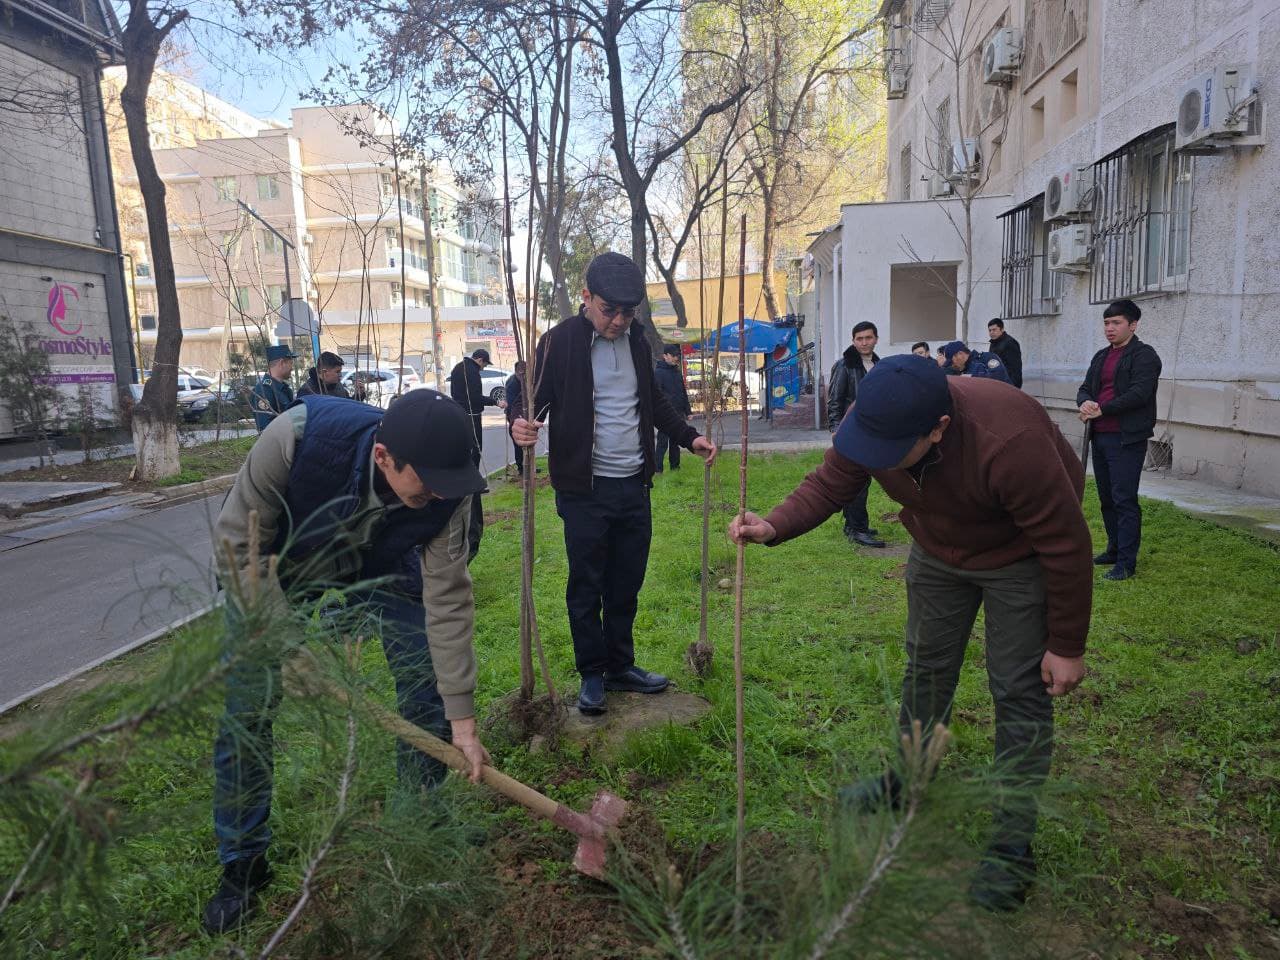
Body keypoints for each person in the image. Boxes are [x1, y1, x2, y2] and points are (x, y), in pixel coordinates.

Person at [729, 355, 1091, 912]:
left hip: (1018, 556)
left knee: (1017, 691)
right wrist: (774, 524)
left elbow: (1066, 542)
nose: (874, 459)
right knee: (925, 668)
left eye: (889, 451)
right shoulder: (878, 413)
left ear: (938, 429)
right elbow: (832, 481)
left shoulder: (1009, 439)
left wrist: (1066, 646)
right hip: (938, 551)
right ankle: (906, 781)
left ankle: (1012, 844)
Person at [203, 389, 490, 934]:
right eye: (425, 482)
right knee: (247, 711)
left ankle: (421, 820)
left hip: (385, 561)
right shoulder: (295, 439)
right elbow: (238, 547)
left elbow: (448, 598)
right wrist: (283, 641)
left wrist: (465, 720)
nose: (437, 493)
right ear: (384, 457)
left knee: (425, 688)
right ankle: (243, 861)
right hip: (278, 567)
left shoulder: (449, 487)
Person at [511, 252, 717, 716]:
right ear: (586, 298)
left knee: (626, 580)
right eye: (611, 311)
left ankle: (622, 667)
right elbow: (530, 399)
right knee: (588, 583)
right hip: (583, 489)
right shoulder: (560, 342)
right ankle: (592, 673)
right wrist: (518, 423)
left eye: (629, 312)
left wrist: (690, 437)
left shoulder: (638, 342)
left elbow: (656, 404)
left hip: (633, 486)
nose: (620, 321)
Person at [1076, 299, 1162, 582]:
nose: (1109, 329)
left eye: (1116, 323)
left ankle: (1126, 562)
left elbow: (1139, 393)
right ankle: (1113, 550)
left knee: (1124, 499)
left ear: (1133, 325)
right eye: (1106, 323)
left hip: (1126, 438)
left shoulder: (1145, 356)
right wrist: (1086, 403)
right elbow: (1086, 388)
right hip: (1100, 436)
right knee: (1106, 498)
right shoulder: (1101, 356)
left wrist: (1102, 408)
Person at [827, 321, 885, 548]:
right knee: (858, 480)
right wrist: (835, 429)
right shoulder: (845, 366)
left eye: (868, 338)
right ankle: (858, 529)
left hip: (873, 431)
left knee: (861, 479)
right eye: (859, 339)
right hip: (852, 431)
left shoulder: (878, 364)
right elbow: (834, 400)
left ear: (876, 339)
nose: (864, 342)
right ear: (853, 341)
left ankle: (853, 525)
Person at [449, 348, 499, 562]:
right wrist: (495, 402)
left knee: (471, 452)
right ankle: (473, 485)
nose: (484, 367)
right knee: (475, 451)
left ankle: (473, 481)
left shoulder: (459, 368)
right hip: (471, 416)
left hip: (461, 415)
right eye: (484, 364)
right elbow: (475, 398)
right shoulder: (471, 372)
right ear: (479, 360)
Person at [654, 343, 692, 473]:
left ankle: (675, 467)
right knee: (662, 443)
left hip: (678, 413)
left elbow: (683, 392)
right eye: (674, 355)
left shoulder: (676, 372)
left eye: (677, 356)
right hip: (664, 414)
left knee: (676, 441)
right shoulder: (658, 373)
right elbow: (656, 394)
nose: (676, 358)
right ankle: (657, 469)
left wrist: (688, 411)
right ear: (665, 356)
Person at [250, 344, 297, 431]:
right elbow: (266, 429)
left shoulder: (284, 389)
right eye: (291, 363)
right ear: (282, 363)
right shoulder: (263, 391)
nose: (292, 368)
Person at [943, 340, 1011, 383]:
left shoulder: (987, 358)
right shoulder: (964, 370)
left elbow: (998, 377)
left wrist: (970, 377)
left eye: (952, 361)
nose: (953, 365)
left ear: (960, 354)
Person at [504, 360, 528, 478]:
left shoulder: (527, 381)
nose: (523, 376)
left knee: (527, 442)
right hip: (514, 416)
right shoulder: (512, 384)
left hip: (525, 415)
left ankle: (528, 465)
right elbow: (513, 404)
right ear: (516, 372)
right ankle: (521, 467)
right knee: (518, 442)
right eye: (521, 374)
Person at [987, 319, 1024, 389]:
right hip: (997, 383)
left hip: (1008, 385)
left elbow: (1015, 368)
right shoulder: (994, 343)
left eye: (994, 330)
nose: (991, 332)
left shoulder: (1010, 343)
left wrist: (1013, 387)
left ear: (1002, 329)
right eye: (989, 330)